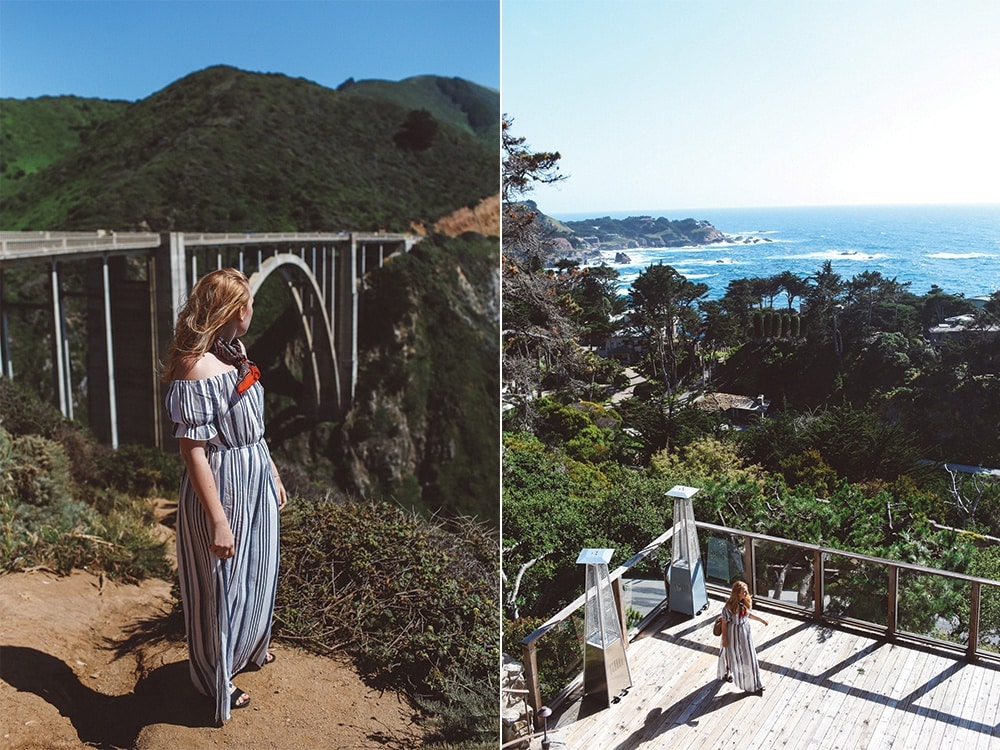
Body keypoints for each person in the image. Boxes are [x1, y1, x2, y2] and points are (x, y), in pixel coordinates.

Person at [161, 268, 287, 722]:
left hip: (253, 476)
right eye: (251, 303)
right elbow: (192, 450)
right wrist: (217, 518)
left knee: (257, 569)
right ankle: (214, 676)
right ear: (239, 310)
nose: (254, 310)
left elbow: (249, 425)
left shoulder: (231, 351)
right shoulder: (194, 367)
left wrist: (269, 468)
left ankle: (248, 648)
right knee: (219, 586)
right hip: (224, 487)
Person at [717, 580, 767, 693]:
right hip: (733, 633)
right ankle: (728, 672)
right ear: (737, 593)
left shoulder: (745, 602)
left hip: (744, 632)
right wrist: (725, 639)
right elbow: (724, 624)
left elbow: (748, 615)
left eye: (746, 591)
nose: (746, 593)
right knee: (732, 655)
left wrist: (761, 620)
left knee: (750, 656)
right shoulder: (728, 607)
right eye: (743, 592)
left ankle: (755, 683)